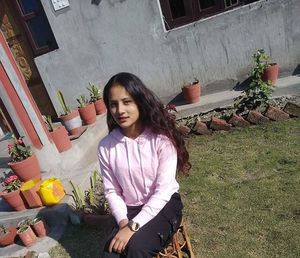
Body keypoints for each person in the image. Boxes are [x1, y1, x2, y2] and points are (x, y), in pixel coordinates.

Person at [98, 72, 190, 257]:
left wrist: (133, 227)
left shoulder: (161, 140)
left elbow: (163, 191)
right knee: (110, 254)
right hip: (129, 210)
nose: (120, 110)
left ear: (139, 101)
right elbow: (112, 191)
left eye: (127, 101)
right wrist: (123, 222)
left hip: (164, 206)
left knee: (136, 248)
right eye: (113, 104)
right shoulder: (106, 146)